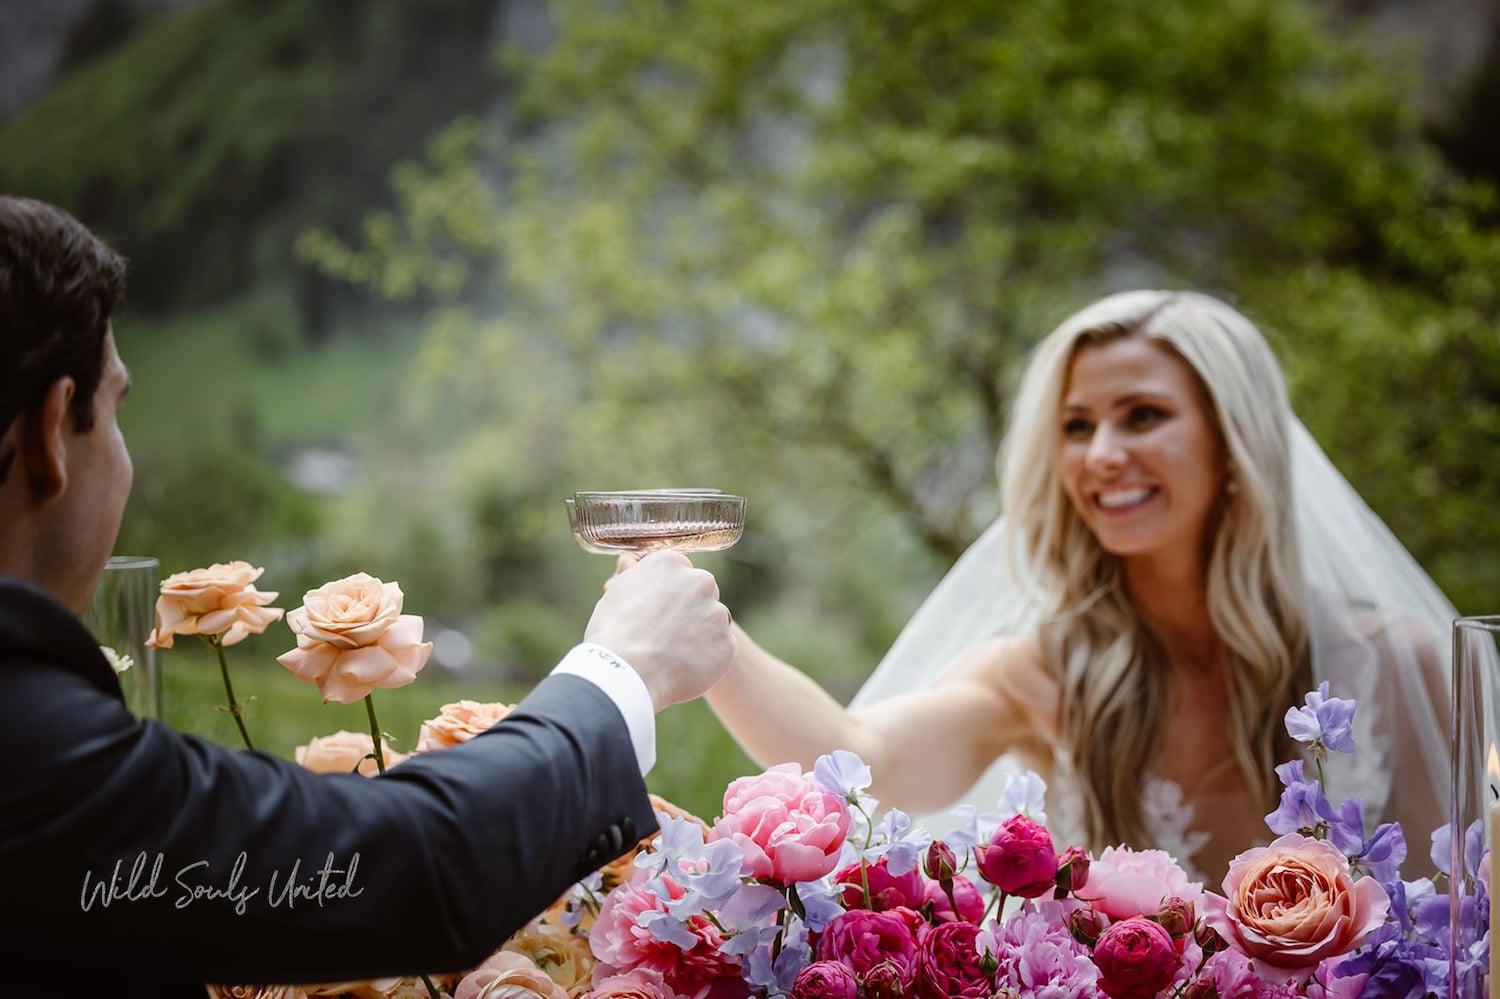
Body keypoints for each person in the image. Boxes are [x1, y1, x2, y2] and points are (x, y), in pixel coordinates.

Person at [0, 195, 736, 995]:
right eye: (114, 409)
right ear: (52, 431)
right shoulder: (28, 736)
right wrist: (621, 670)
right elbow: (405, 860)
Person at [703, 289, 1455, 884]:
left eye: (1143, 416)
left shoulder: (1392, 665)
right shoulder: (1039, 675)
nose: (1102, 454)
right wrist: (703, 626)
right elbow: (863, 763)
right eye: (1076, 425)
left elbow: (1456, 933)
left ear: (1234, 441)